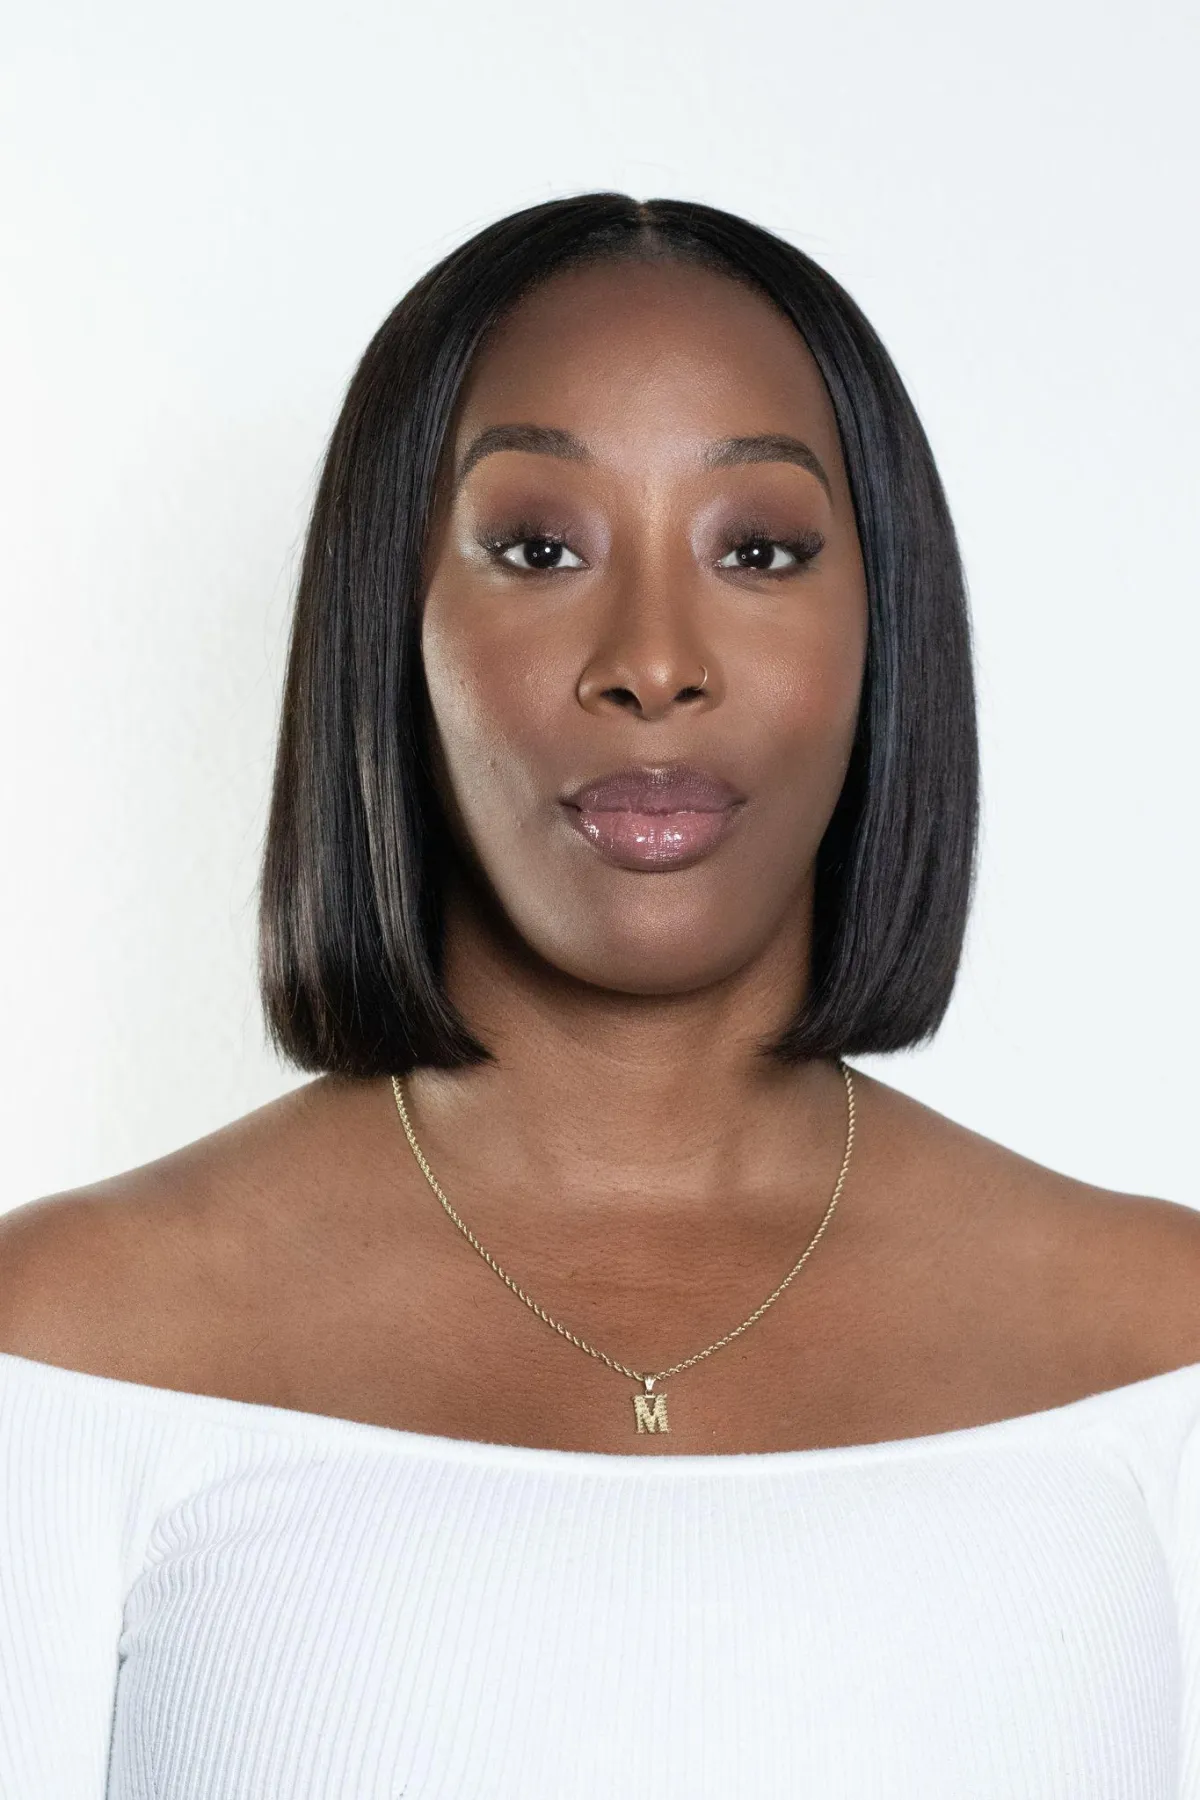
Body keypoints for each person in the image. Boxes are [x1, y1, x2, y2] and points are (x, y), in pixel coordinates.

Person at [1, 193, 1197, 1797]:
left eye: (759, 550)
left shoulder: (1163, 1348)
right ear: (392, 619)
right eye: (539, 548)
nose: (652, 660)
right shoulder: (63, 1346)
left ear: (884, 627)